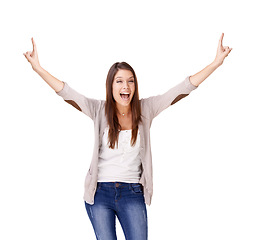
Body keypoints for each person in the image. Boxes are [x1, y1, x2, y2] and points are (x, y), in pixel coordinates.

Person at [23, 34, 232, 240]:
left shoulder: (146, 109)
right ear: (111, 86)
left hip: (133, 193)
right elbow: (66, 92)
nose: (126, 86)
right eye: (120, 81)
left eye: (131, 81)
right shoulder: (98, 110)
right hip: (99, 193)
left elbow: (183, 89)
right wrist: (38, 68)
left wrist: (215, 64)